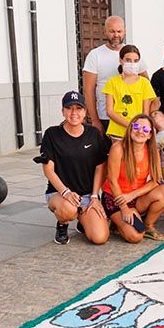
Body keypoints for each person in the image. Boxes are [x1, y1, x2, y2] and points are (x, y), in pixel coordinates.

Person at [37, 92, 111, 246]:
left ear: (85, 112)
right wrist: (66, 192)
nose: (74, 113)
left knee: (100, 238)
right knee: (69, 210)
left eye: (78, 108)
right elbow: (48, 169)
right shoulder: (52, 134)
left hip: (86, 195)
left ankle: (83, 221)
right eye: (69, 108)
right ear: (63, 111)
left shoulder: (93, 134)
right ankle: (62, 225)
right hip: (60, 193)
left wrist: (95, 196)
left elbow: (100, 166)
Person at [102, 114, 164, 243]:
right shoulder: (118, 148)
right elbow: (112, 181)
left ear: (150, 135)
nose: (140, 131)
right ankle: (117, 220)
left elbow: (156, 181)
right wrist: (124, 208)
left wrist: (132, 195)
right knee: (135, 237)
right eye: (136, 126)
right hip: (115, 198)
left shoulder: (153, 151)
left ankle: (148, 225)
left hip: (135, 197)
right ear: (130, 129)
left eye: (145, 129)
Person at [82, 16, 147, 133]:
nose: (116, 35)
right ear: (105, 31)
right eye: (112, 31)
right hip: (105, 116)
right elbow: (88, 89)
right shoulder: (95, 55)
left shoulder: (133, 54)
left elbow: (146, 83)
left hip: (133, 118)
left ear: (124, 31)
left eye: (119, 31)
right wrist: (95, 119)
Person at [104, 45, 157, 139]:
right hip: (117, 132)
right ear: (121, 60)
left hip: (138, 133)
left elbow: (145, 113)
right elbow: (110, 111)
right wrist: (129, 125)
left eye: (136, 61)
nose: (132, 64)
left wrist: (137, 127)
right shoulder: (112, 82)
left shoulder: (144, 83)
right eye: (128, 60)